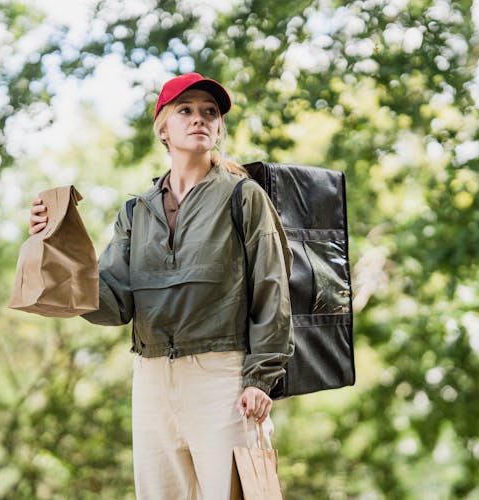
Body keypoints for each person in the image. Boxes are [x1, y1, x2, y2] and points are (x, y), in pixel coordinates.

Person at [28, 72, 294, 499]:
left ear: (220, 129)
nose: (199, 119)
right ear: (163, 129)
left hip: (222, 376)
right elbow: (113, 302)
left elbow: (272, 289)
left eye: (210, 113)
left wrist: (259, 379)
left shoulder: (243, 198)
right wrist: (54, 241)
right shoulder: (136, 213)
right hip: (150, 377)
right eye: (185, 111)